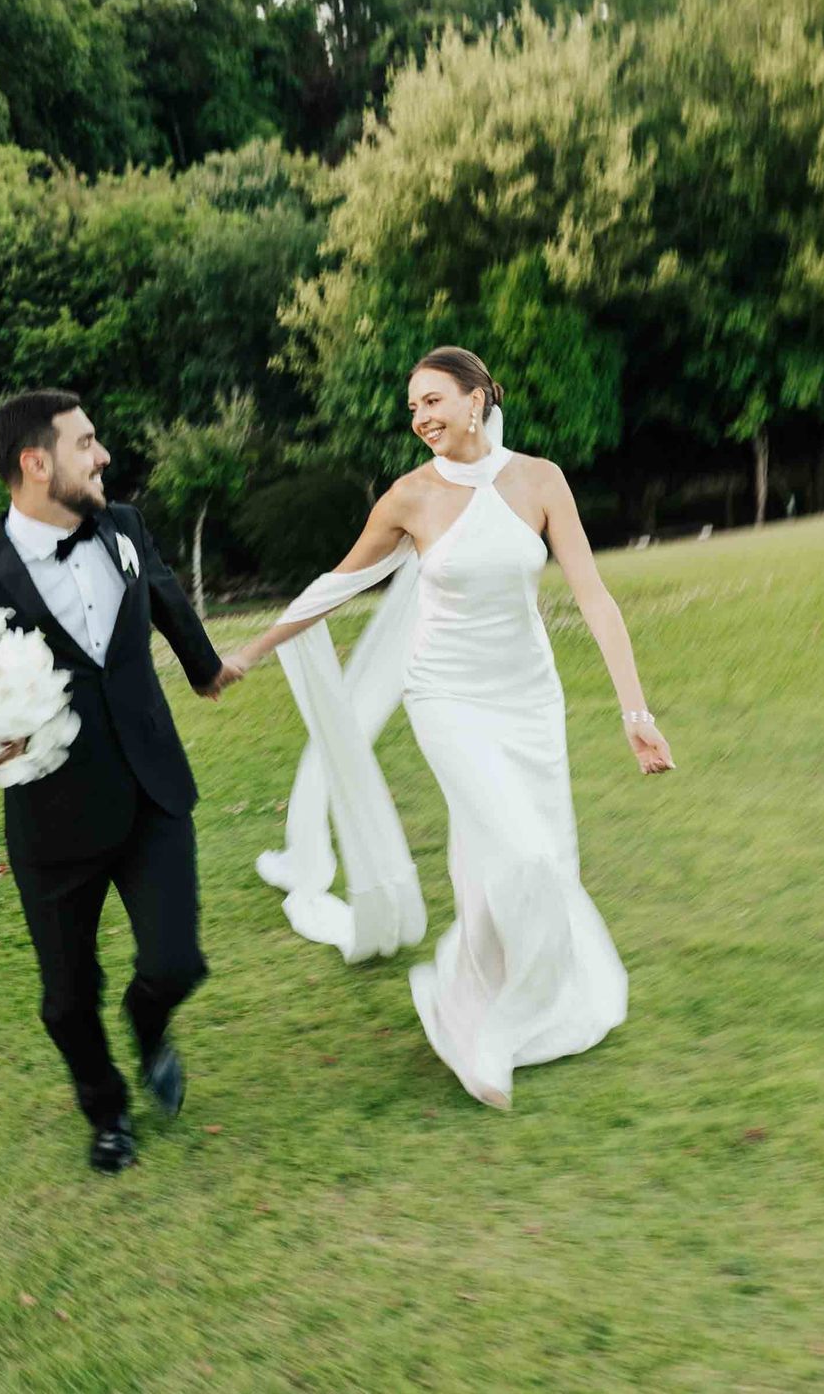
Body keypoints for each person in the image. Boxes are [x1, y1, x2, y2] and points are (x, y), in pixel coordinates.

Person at [222, 347, 675, 1109]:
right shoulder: (409, 498)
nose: (421, 418)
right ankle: (494, 1031)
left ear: (477, 398)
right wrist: (252, 650)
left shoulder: (540, 480)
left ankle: (474, 996)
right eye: (412, 408)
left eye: (432, 400)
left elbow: (594, 598)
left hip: (529, 698)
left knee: (524, 858)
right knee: (525, 854)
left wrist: (636, 713)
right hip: (446, 695)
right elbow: (335, 585)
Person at [0, 390, 237, 1173]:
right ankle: (107, 1111)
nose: (103, 456)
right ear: (37, 463)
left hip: (153, 788)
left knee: (175, 963)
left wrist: (204, 669)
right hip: (55, 817)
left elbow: (161, 591)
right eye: (86, 443)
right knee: (65, 999)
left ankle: (149, 1023)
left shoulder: (122, 526)